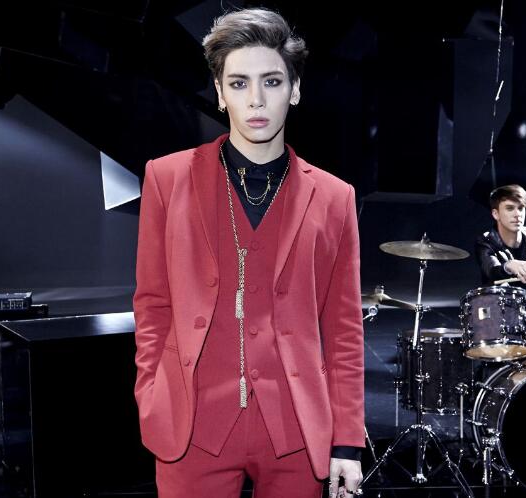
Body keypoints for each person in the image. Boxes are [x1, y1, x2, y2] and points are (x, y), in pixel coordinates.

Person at [132, 8, 364, 498]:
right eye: (239, 83)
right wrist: (151, 391)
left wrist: (347, 440)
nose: (256, 99)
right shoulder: (167, 179)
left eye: (272, 81)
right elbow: (153, 303)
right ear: (220, 93)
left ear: (294, 90)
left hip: (296, 431)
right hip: (192, 428)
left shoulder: (335, 197)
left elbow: (343, 329)